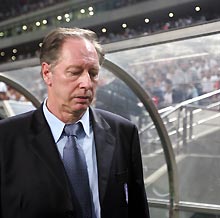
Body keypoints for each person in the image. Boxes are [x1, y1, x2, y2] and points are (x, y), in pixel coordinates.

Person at [0, 27, 150, 218]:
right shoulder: (6, 138)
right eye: (75, 72)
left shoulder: (123, 132)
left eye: (93, 73)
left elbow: (137, 209)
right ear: (47, 73)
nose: (87, 83)